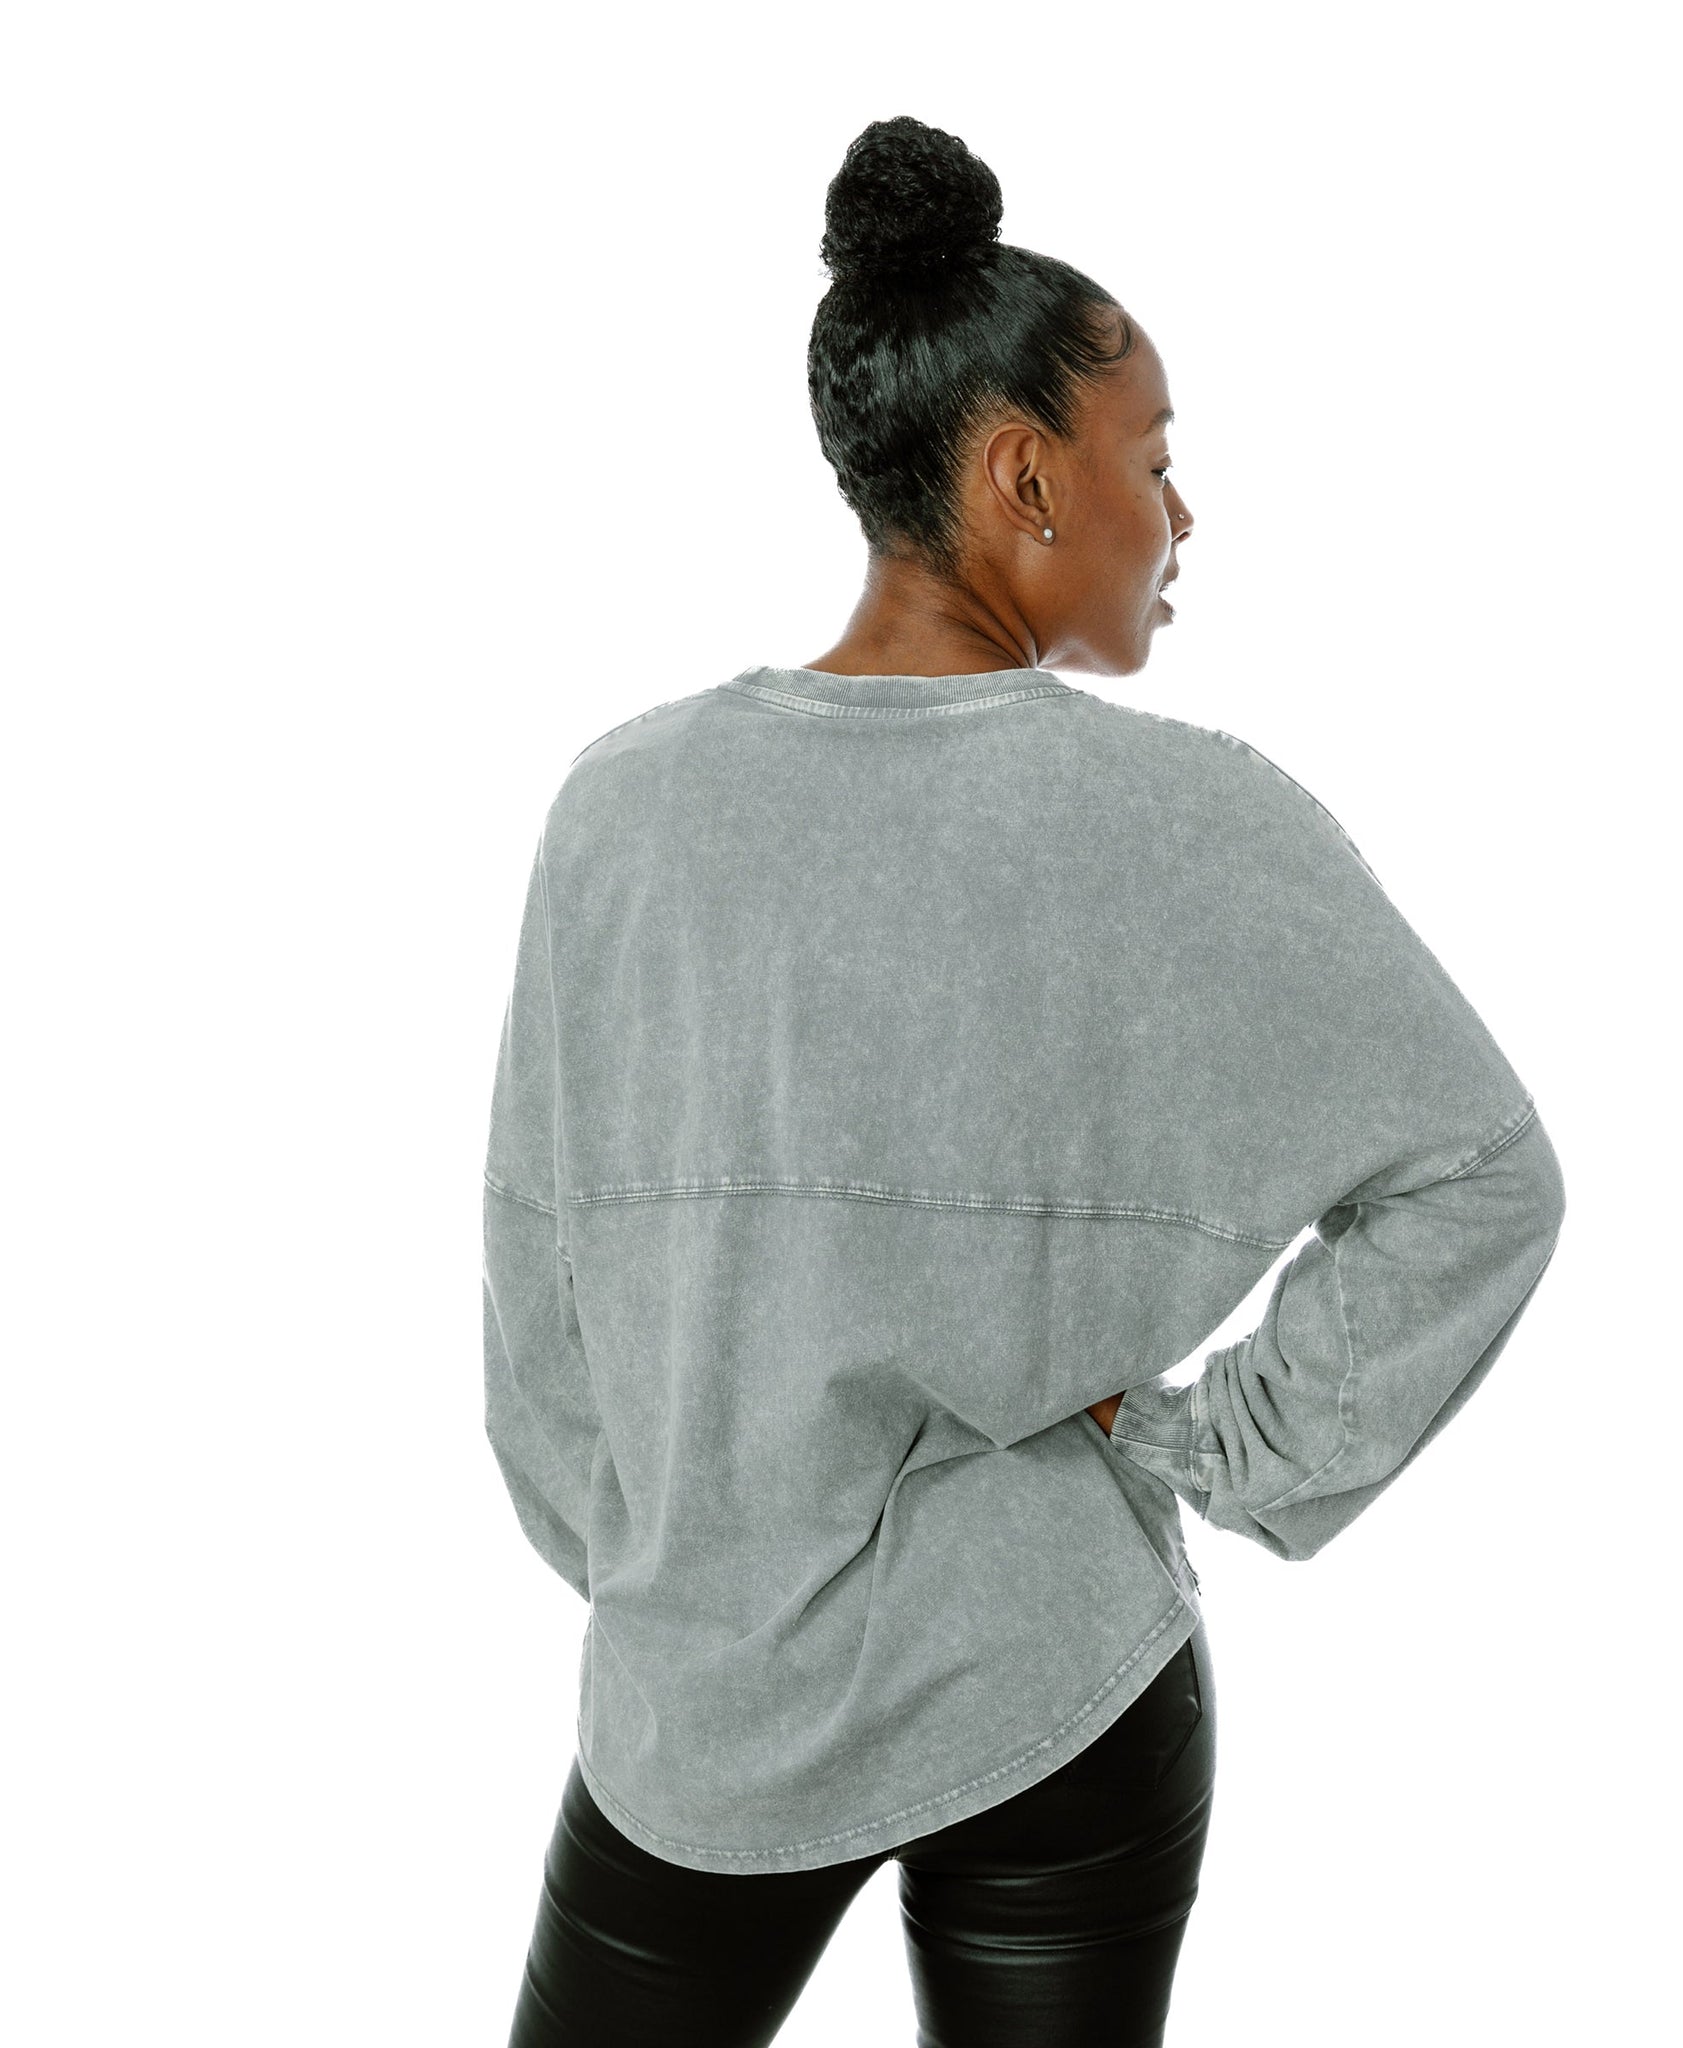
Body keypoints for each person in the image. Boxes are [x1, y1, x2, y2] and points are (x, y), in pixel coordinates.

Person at [489, 115, 1566, 2048]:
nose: (1184, 516)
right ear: (1024, 477)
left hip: (706, 1699)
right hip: (1058, 1678)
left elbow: (539, 1285)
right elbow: (1483, 1174)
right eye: (1154, 461)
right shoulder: (1196, 823)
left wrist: (675, 1562)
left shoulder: (623, 811)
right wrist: (1211, 1449)